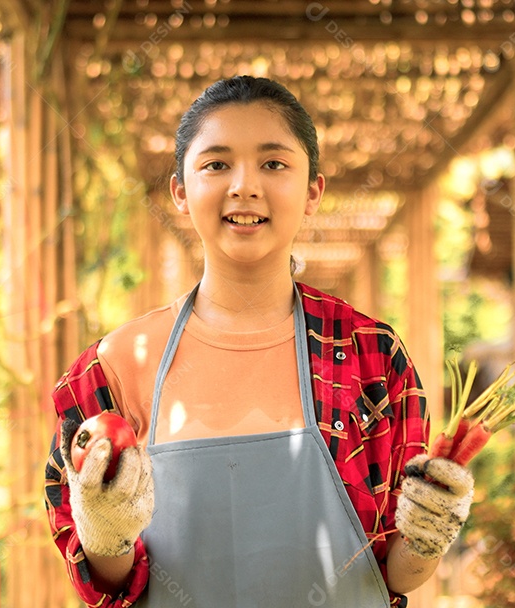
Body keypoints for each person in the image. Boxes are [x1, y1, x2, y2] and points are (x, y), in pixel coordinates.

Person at [43, 75, 475, 607]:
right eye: (216, 164)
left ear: (313, 190)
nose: (244, 185)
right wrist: (105, 531)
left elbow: (397, 573)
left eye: (273, 163)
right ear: (180, 189)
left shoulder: (370, 356)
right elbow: (105, 585)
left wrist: (428, 534)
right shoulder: (110, 370)